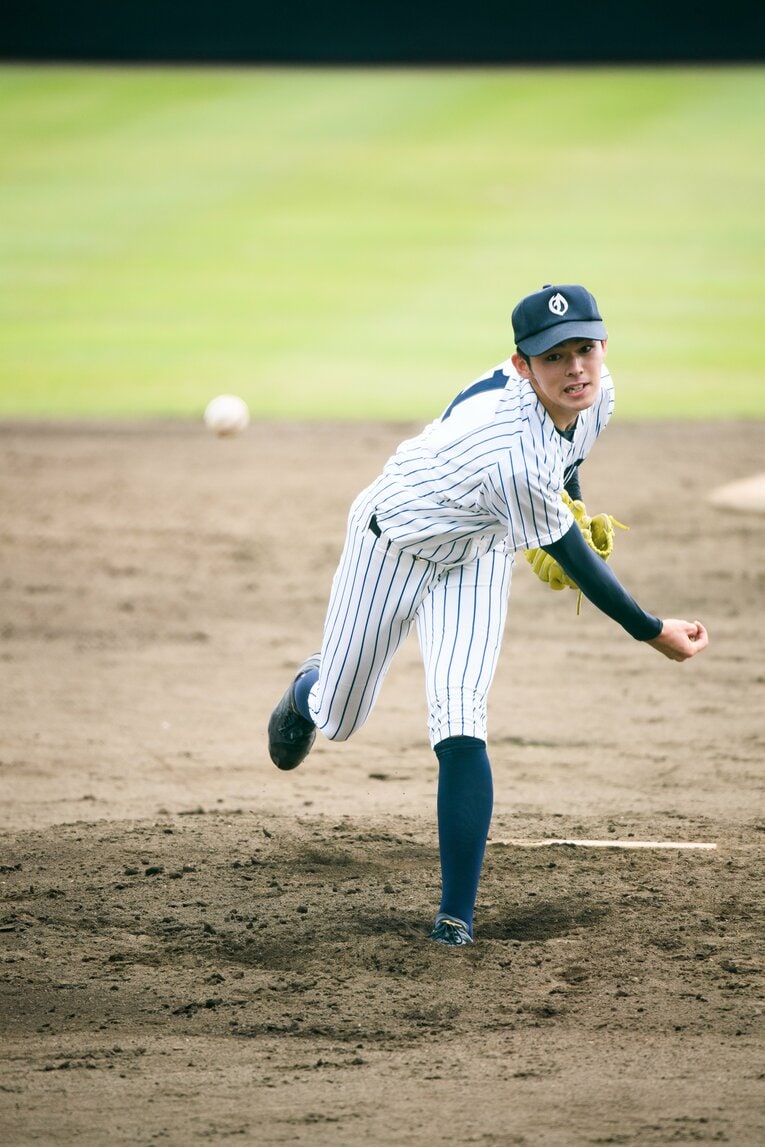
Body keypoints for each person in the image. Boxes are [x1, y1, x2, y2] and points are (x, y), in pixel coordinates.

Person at [267, 283, 709, 946]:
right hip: (390, 545)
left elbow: (566, 461)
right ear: (521, 365)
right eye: (553, 357)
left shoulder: (599, 394)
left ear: (602, 346)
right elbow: (566, 546)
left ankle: (455, 919)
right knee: (340, 717)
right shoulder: (507, 449)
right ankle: (307, 690)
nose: (575, 369)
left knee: (459, 717)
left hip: (474, 557)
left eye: (584, 349)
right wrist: (651, 630)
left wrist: (573, 504)